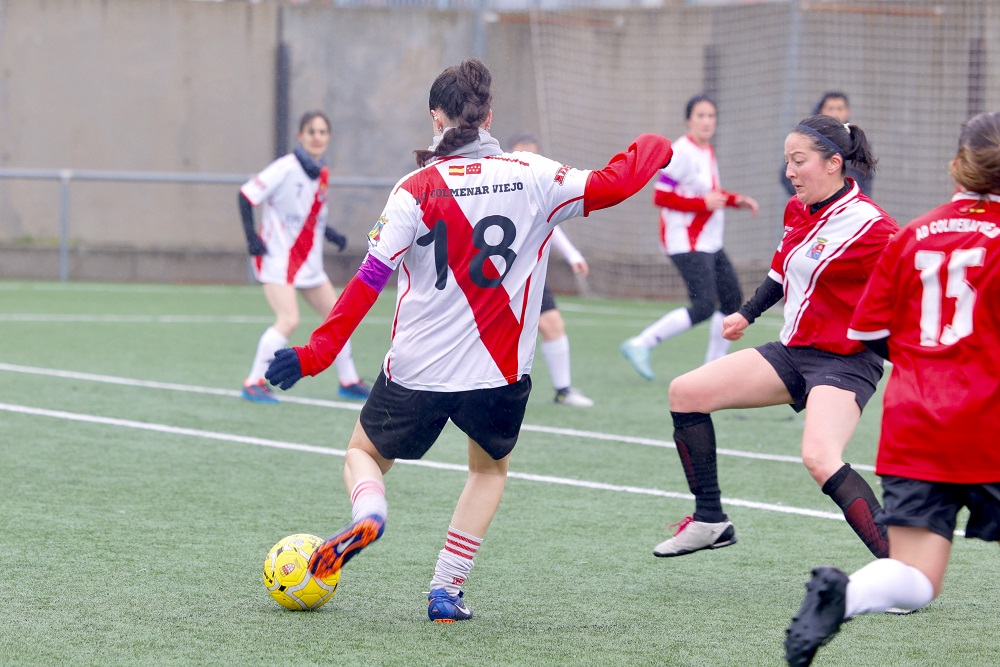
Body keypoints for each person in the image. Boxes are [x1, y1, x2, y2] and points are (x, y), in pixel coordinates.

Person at [263, 59, 673, 621]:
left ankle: (371, 515)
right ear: (489, 115)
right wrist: (654, 142)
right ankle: (445, 591)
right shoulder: (533, 174)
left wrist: (317, 354)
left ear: (436, 118)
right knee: (488, 471)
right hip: (499, 373)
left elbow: (367, 282)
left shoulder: (413, 189)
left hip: (416, 370)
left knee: (362, 453)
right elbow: (617, 183)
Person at [784, 111, 1000, 667]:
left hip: (915, 423)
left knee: (914, 577)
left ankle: (847, 596)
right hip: (987, 422)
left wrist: (930, 368)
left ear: (959, 163)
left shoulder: (912, 234)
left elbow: (869, 331)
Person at [652, 114, 897, 561]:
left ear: (833, 163)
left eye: (798, 161)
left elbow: (912, 282)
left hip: (844, 362)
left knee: (821, 457)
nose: (789, 172)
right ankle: (710, 520)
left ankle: (902, 569)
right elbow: (781, 271)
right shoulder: (798, 209)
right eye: (787, 160)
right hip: (792, 353)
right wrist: (745, 314)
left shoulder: (873, 226)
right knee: (685, 392)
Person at [620, 95, 758, 380]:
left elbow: (708, 195)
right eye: (701, 116)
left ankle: (711, 370)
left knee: (732, 300)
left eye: (711, 116)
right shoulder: (681, 151)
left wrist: (736, 200)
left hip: (709, 241)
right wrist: (701, 205)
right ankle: (641, 343)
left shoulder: (706, 150)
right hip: (686, 241)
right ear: (688, 120)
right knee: (705, 305)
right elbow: (660, 195)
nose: (707, 121)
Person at [238, 111, 370, 404]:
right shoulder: (285, 168)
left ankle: (348, 380)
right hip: (278, 260)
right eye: (311, 131)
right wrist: (251, 238)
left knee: (339, 316)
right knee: (288, 319)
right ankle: (253, 382)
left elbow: (311, 216)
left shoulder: (322, 173)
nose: (317, 137)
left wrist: (331, 233)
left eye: (322, 132)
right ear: (300, 136)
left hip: (309, 264)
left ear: (329, 137)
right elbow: (246, 196)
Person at [507, 132, 593, 408]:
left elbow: (551, 224)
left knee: (552, 323)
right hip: (494, 273)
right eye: (523, 152)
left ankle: (563, 390)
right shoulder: (497, 184)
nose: (528, 157)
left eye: (534, 153)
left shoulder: (538, 186)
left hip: (529, 271)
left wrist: (572, 255)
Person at [780, 92, 874, 197]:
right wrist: (807, 195)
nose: (835, 113)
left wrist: (859, 197)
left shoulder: (855, 142)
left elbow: (866, 177)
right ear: (822, 110)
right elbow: (786, 176)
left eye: (839, 109)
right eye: (831, 108)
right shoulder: (807, 139)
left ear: (848, 112)